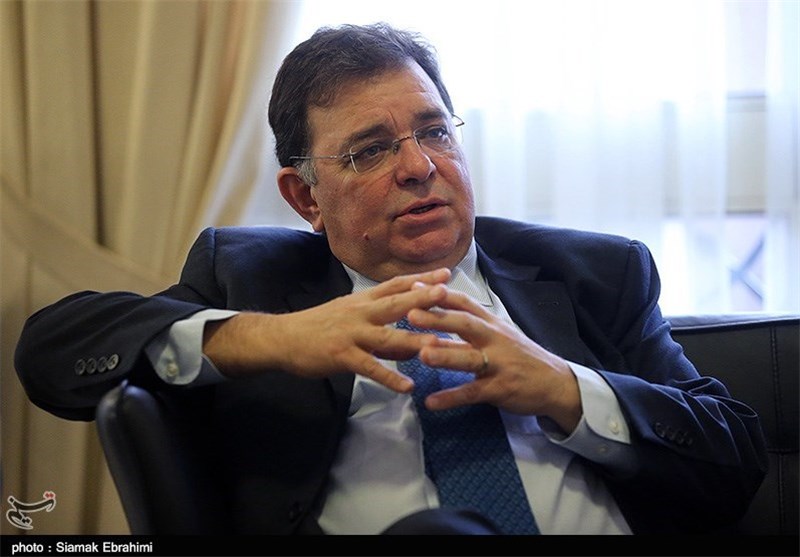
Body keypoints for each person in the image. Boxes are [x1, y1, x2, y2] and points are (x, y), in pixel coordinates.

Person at [14, 23, 767, 536]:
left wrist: (563, 388)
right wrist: (272, 339)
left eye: (434, 130)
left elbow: (735, 457)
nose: (420, 166)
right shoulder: (252, 280)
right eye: (370, 150)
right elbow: (52, 350)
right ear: (306, 198)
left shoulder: (597, 273)